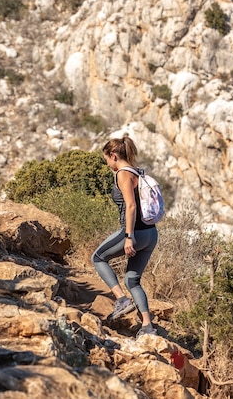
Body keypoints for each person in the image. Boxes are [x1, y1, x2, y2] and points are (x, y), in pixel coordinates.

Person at [92, 134, 158, 338]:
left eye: (106, 160)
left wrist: (128, 236)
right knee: (132, 280)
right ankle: (147, 326)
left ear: (113, 155)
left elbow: (131, 205)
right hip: (151, 233)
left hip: (134, 233)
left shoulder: (123, 173)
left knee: (98, 258)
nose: (107, 164)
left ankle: (121, 300)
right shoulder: (137, 172)